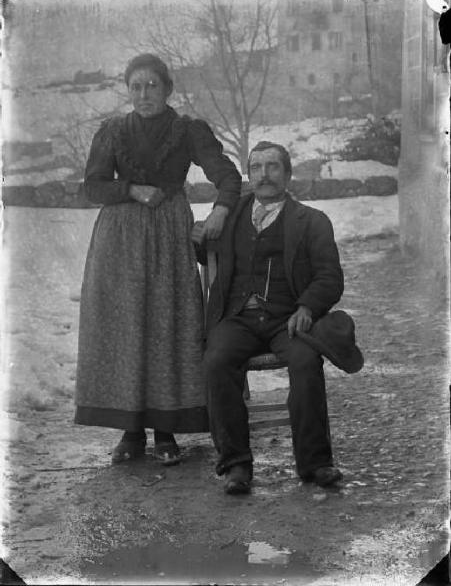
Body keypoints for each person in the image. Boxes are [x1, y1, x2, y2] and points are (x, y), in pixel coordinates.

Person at [75, 53, 241, 466]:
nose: (144, 94)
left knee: (168, 326)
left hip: (168, 236)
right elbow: (92, 187)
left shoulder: (187, 130)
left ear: (167, 89)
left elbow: (227, 176)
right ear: (128, 91)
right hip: (120, 241)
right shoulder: (112, 132)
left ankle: (166, 429)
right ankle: (131, 432)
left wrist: (221, 209)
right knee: (126, 328)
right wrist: (130, 190)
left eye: (152, 86)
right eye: (136, 87)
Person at [200, 141, 363, 494]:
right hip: (238, 318)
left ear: (287, 175)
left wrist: (306, 307)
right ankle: (236, 464)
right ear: (249, 174)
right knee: (216, 360)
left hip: (287, 320)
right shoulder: (231, 217)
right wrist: (203, 226)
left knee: (305, 360)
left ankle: (315, 463)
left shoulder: (313, 221)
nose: (264, 175)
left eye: (273, 167)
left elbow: (329, 277)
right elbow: (200, 245)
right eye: (256, 167)